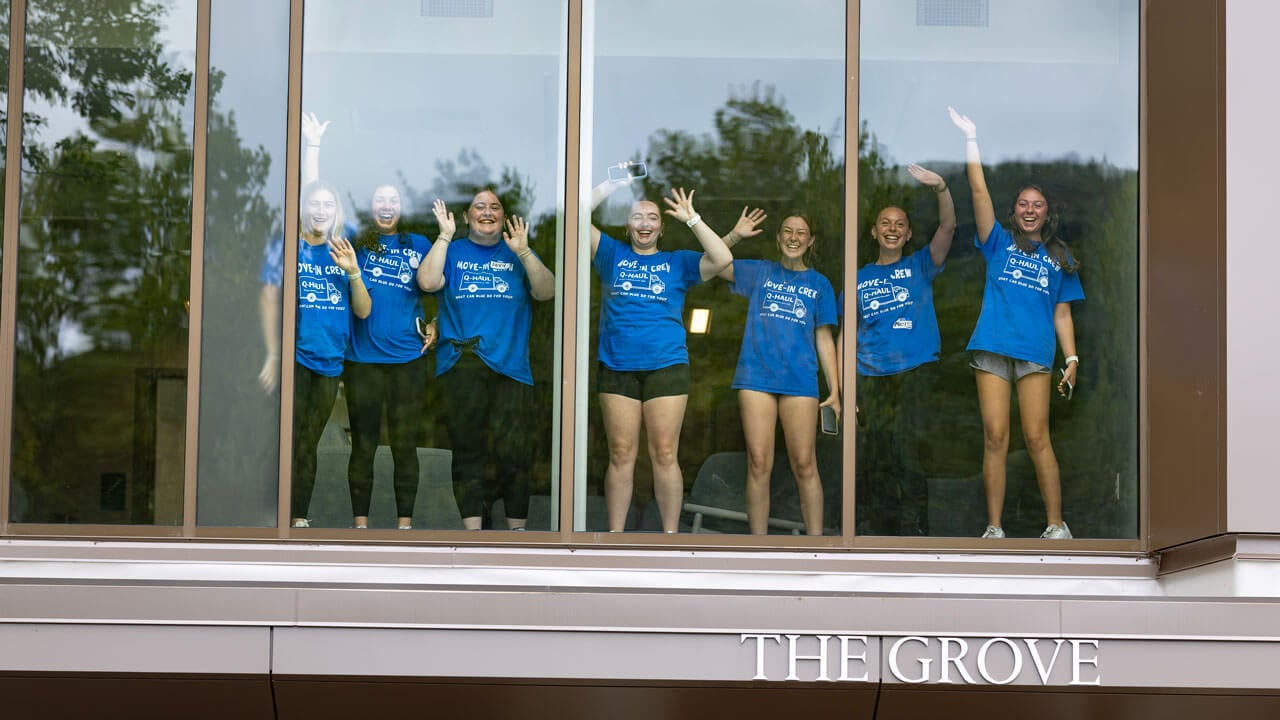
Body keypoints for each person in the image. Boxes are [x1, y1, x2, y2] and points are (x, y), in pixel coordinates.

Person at [948, 107, 1084, 540]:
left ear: (1047, 214)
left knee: (1037, 437)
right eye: (1023, 204)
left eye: (1037, 205)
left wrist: (1073, 357)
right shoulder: (998, 243)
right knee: (995, 437)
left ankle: (1056, 527)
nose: (1029, 210)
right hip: (992, 348)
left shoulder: (1059, 257)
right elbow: (978, 192)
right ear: (1015, 211)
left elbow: (1062, 312)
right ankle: (994, 529)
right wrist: (971, 139)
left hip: (1036, 353)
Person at [300, 113, 436, 530]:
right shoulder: (354, 239)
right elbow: (314, 204)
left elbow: (441, 289)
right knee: (362, 448)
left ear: (401, 207)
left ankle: (405, 527)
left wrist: (436, 322)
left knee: (405, 447)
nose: (386, 205)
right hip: (361, 361)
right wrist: (313, 148)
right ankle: (360, 526)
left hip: (407, 361)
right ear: (371, 206)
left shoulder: (420, 243)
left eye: (393, 200)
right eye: (379, 199)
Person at [589, 178, 735, 533]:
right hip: (617, 365)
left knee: (665, 454)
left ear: (661, 227)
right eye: (637, 217)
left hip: (666, 366)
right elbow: (573, 218)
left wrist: (692, 218)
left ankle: (670, 539)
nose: (644, 224)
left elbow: (722, 258)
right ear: (627, 225)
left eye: (651, 218)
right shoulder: (611, 254)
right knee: (621, 454)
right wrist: (609, 187)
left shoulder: (677, 263)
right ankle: (615, 538)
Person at [416, 189, 555, 530]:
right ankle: (474, 535)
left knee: (516, 454)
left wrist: (523, 251)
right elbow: (428, 281)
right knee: (468, 452)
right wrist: (444, 236)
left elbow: (548, 290)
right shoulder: (453, 250)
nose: (487, 211)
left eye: (495, 207)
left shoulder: (517, 252)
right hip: (462, 365)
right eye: (479, 206)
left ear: (505, 217)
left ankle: (517, 534)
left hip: (511, 369)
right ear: (466, 217)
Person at [716, 213, 840, 536]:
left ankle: (816, 548)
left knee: (804, 464)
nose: (794, 237)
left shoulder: (819, 284)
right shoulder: (760, 272)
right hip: (756, 379)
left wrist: (836, 390)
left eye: (801, 232)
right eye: (787, 231)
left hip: (800, 382)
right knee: (758, 463)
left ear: (810, 241)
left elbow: (824, 339)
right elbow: (714, 264)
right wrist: (735, 235)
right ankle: (758, 549)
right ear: (778, 238)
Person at [259, 181, 371, 529]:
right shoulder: (290, 249)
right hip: (294, 359)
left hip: (329, 361)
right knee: (281, 437)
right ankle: (270, 514)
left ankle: (298, 517)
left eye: (328, 204)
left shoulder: (344, 250)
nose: (321, 210)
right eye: (314, 203)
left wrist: (352, 271)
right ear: (304, 209)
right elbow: (268, 297)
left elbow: (364, 311)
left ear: (336, 212)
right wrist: (274, 354)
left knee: (308, 441)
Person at [851, 164, 956, 535]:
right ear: (874, 231)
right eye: (885, 223)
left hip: (915, 369)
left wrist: (940, 187)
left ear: (909, 233)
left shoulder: (921, 265)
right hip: (870, 374)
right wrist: (847, 388)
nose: (892, 229)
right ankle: (881, 533)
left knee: (907, 452)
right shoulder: (857, 277)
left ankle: (916, 533)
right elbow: (847, 332)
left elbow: (947, 228)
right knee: (875, 456)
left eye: (899, 224)